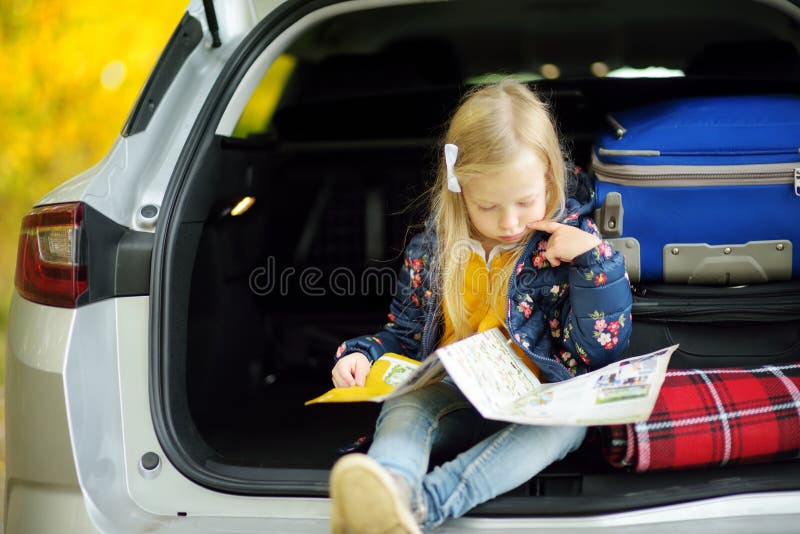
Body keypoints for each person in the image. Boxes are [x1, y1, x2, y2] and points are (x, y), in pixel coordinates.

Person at [328, 80, 632, 533]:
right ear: (459, 189)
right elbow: (404, 335)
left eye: (525, 202)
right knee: (406, 408)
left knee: (567, 427)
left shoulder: (571, 244)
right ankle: (386, 488)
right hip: (454, 394)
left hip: (536, 403)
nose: (509, 222)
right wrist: (362, 352)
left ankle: (421, 506)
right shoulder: (433, 250)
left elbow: (597, 353)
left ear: (549, 176)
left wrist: (592, 264)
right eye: (487, 206)